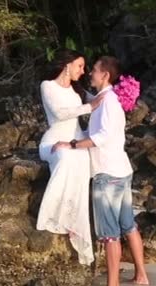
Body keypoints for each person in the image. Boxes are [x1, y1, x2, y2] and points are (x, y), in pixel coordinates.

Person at [52, 56, 149, 286]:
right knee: (128, 225)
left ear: (105, 75)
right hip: (122, 170)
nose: (90, 73)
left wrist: (72, 144)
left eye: (94, 70)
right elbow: (87, 104)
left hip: (107, 175)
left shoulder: (107, 102)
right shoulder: (106, 98)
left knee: (110, 234)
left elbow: (102, 137)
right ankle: (141, 276)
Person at [36, 49, 103, 265]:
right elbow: (59, 113)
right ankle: (56, 215)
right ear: (67, 65)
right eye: (80, 66)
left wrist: (118, 93)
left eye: (84, 68)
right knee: (65, 158)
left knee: (83, 159)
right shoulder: (48, 86)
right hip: (54, 141)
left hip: (76, 139)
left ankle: (74, 220)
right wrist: (89, 107)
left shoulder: (78, 90)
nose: (83, 71)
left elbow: (102, 98)